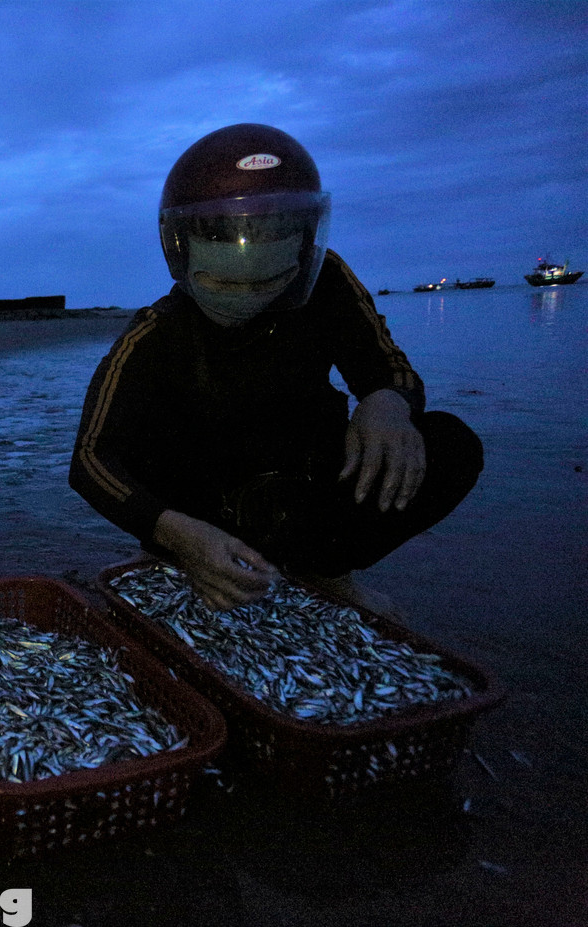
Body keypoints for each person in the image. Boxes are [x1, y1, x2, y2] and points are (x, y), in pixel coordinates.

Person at [71, 124, 482, 617]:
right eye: (222, 282)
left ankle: (325, 568)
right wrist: (174, 531)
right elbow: (91, 460)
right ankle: (172, 556)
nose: (247, 301)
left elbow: (388, 368)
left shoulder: (327, 281)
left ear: (303, 249)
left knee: (448, 443)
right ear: (182, 252)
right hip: (205, 504)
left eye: (270, 282)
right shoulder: (156, 332)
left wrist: (386, 404)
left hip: (296, 494)